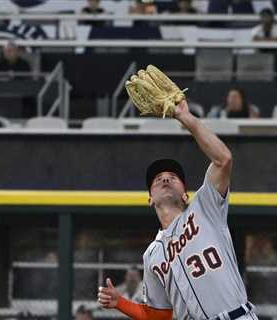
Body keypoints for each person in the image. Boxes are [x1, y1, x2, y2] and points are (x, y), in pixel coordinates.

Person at [98, 99, 257, 320]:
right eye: (158, 179)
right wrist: (120, 302)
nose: (165, 179)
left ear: (185, 194)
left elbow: (223, 159)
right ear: (150, 199)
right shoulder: (152, 255)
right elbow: (158, 316)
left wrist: (185, 118)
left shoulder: (205, 208)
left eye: (173, 178)